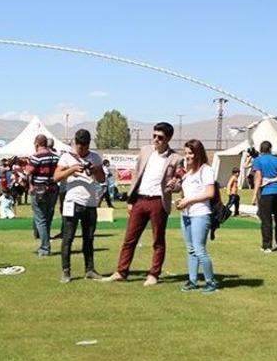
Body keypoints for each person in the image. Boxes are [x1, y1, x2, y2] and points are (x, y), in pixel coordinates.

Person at [101, 122, 182, 286]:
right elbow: (136, 175)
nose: (156, 140)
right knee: (129, 239)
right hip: (140, 200)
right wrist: (131, 200)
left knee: (158, 240)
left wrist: (175, 185)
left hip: (159, 202)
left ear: (168, 138)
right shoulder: (145, 151)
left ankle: (154, 274)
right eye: (154, 136)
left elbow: (179, 183)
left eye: (160, 137)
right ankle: (121, 272)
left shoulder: (176, 159)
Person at [55, 129, 105, 282]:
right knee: (68, 238)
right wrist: (72, 169)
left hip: (90, 203)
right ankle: (66, 271)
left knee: (89, 238)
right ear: (75, 143)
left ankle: (89, 269)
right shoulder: (66, 157)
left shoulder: (95, 157)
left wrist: (94, 170)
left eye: (85, 147)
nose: (82, 150)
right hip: (72, 202)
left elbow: (102, 179)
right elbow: (56, 177)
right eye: (80, 147)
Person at [175, 139, 218, 293]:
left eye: (190, 153)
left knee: (200, 249)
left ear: (198, 153)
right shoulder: (188, 173)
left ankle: (210, 282)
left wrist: (189, 200)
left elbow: (209, 193)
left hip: (200, 214)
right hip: (186, 215)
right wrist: (181, 201)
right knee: (190, 249)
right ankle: (192, 280)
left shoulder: (205, 170)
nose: (187, 156)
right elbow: (187, 192)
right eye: (186, 153)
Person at [252, 141, 277, 252]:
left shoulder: (257, 161)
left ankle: (267, 246)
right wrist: (272, 180)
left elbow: (258, 178)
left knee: (266, 220)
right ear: (270, 149)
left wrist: (254, 195)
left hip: (267, 193)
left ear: (260, 149)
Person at [28, 135, 61, 256]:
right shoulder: (56, 157)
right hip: (53, 190)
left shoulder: (36, 157)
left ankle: (45, 247)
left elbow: (28, 172)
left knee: (40, 219)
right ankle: (44, 245)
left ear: (37, 144)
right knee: (48, 218)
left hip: (39, 191)